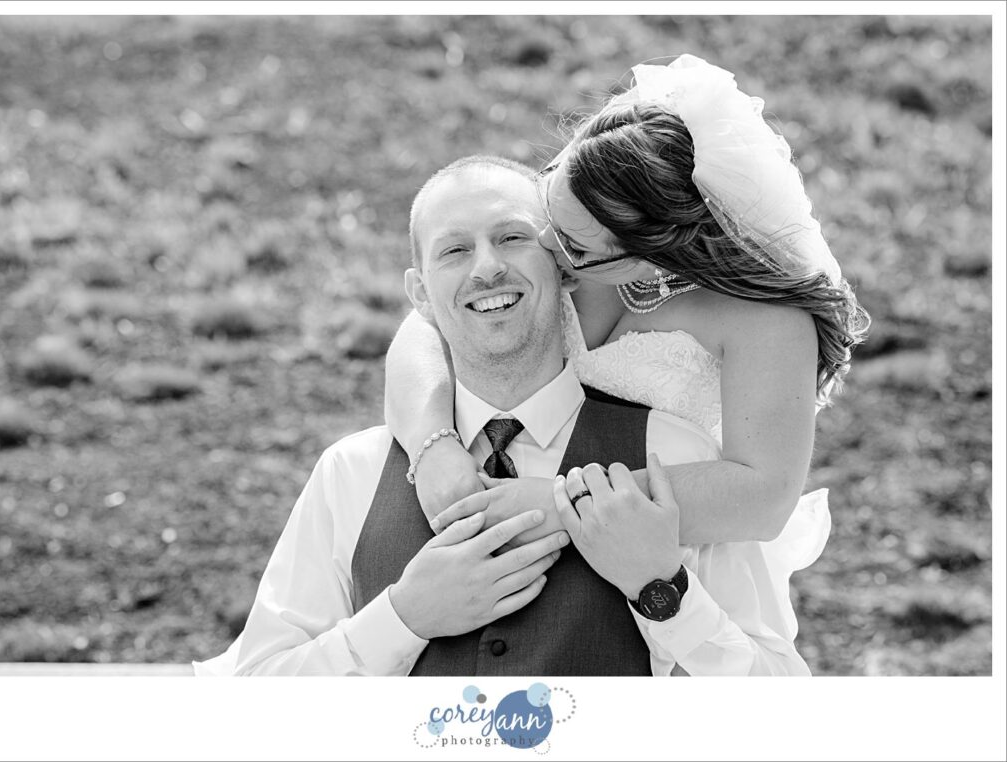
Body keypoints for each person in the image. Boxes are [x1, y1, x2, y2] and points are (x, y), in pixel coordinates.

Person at [194, 155, 819, 676]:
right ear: (419, 294)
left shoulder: (675, 458)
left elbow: (779, 710)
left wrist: (663, 593)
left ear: (567, 269)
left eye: (513, 238)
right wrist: (402, 619)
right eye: (454, 251)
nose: (486, 267)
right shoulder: (350, 473)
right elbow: (253, 701)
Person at [384, 55, 868, 565]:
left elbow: (764, 498)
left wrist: (563, 504)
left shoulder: (768, 321)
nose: (545, 244)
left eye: (570, 245)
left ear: (649, 257)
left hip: (675, 556)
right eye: (550, 203)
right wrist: (432, 446)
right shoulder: (565, 232)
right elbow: (425, 325)